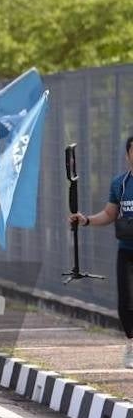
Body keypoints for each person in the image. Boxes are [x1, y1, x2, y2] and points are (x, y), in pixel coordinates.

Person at [69, 135, 133, 368]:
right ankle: (131, 346)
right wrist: (85, 220)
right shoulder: (120, 184)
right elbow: (109, 214)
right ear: (128, 155)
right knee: (126, 302)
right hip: (126, 251)